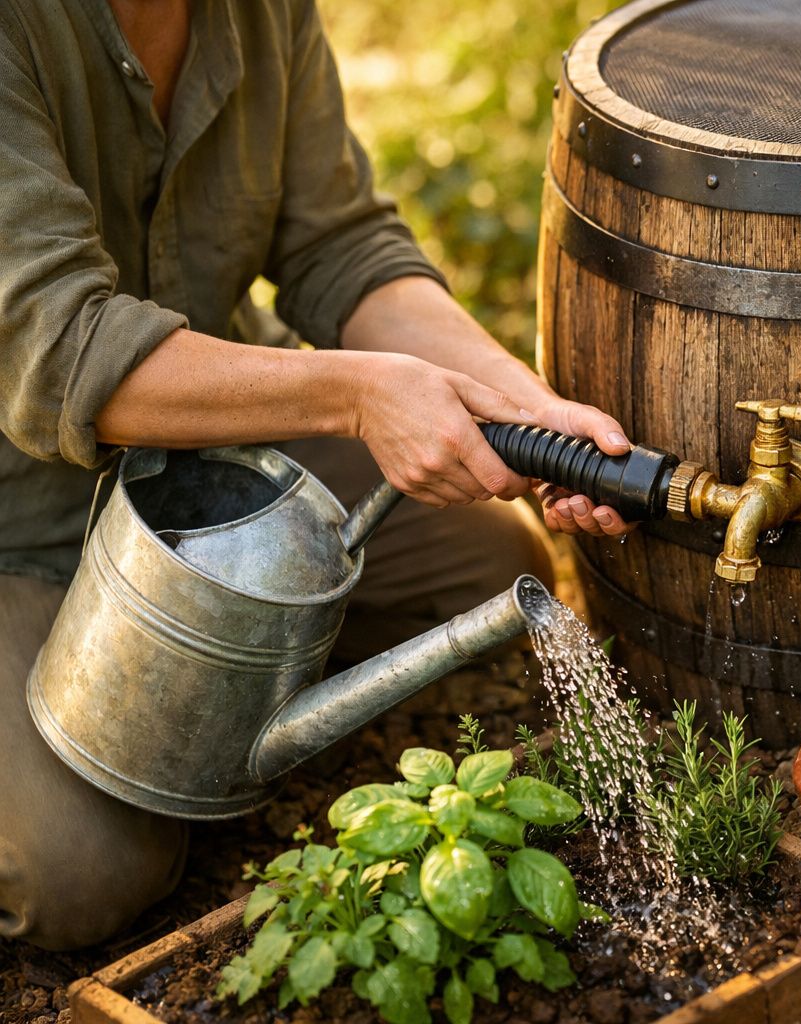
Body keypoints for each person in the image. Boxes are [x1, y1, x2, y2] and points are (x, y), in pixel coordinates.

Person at [0, 0, 627, 950]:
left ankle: (199, 696)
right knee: (78, 878)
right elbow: (66, 348)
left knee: (485, 574)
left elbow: (339, 245)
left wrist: (509, 399)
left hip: (213, 464)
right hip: (20, 519)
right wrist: (359, 398)